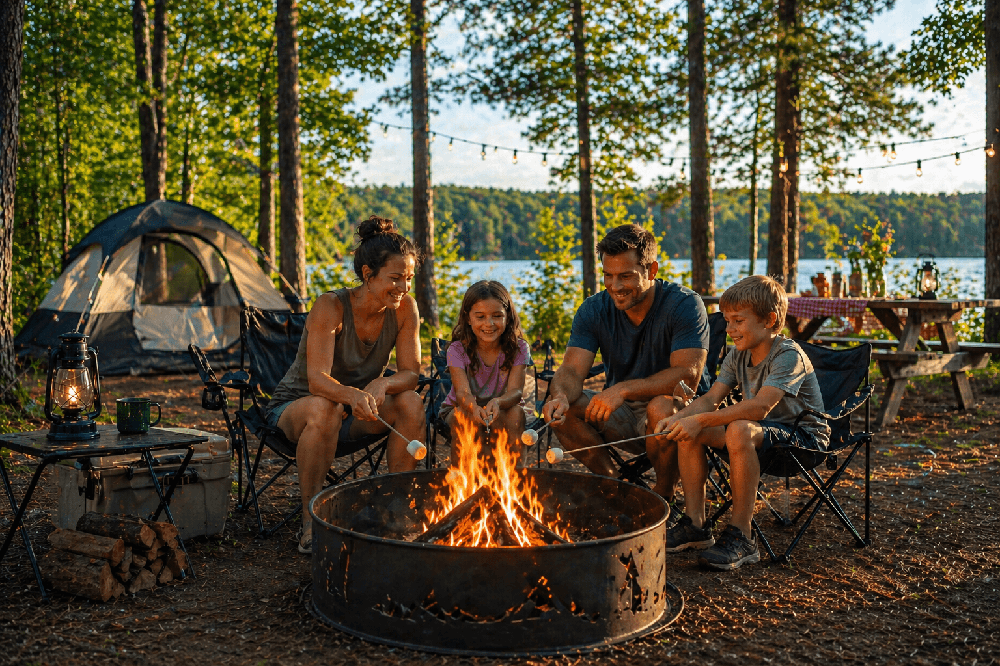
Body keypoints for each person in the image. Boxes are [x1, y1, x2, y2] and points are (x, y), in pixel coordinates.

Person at [266, 216, 426, 555]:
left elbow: (411, 373)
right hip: (300, 407)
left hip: (357, 410)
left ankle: (399, 513)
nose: (404, 288)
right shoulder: (331, 306)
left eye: (409, 278)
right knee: (327, 406)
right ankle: (312, 523)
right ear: (368, 274)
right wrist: (352, 394)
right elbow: (316, 380)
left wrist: (383, 383)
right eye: (395, 278)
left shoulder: (404, 309)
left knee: (410, 401)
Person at [654, 275, 829, 570]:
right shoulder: (737, 355)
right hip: (758, 436)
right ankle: (696, 526)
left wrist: (702, 419)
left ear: (769, 320)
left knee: (738, 427)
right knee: (690, 432)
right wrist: (678, 419)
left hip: (804, 440)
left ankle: (742, 536)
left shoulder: (788, 355)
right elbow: (710, 399)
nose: (729, 329)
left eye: (738, 321)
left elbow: (760, 407)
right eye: (726, 320)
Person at [541, 224, 709, 520]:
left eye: (626, 276)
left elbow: (687, 376)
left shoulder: (684, 304)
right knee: (560, 410)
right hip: (621, 414)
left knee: (660, 407)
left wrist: (622, 389)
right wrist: (561, 396)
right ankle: (619, 489)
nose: (615, 285)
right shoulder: (593, 309)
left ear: (652, 270)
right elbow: (570, 370)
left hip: (678, 413)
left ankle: (662, 498)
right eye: (608, 275)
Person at [439, 280, 532, 466]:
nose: (489, 324)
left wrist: (498, 402)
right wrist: (474, 408)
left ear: (508, 316)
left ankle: (514, 479)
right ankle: (463, 481)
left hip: (504, 407)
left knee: (516, 415)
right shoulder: (457, 349)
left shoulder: (519, 347)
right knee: (464, 418)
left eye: (497, 316)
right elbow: (462, 392)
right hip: (463, 407)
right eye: (480, 316)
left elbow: (516, 391)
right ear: (468, 318)